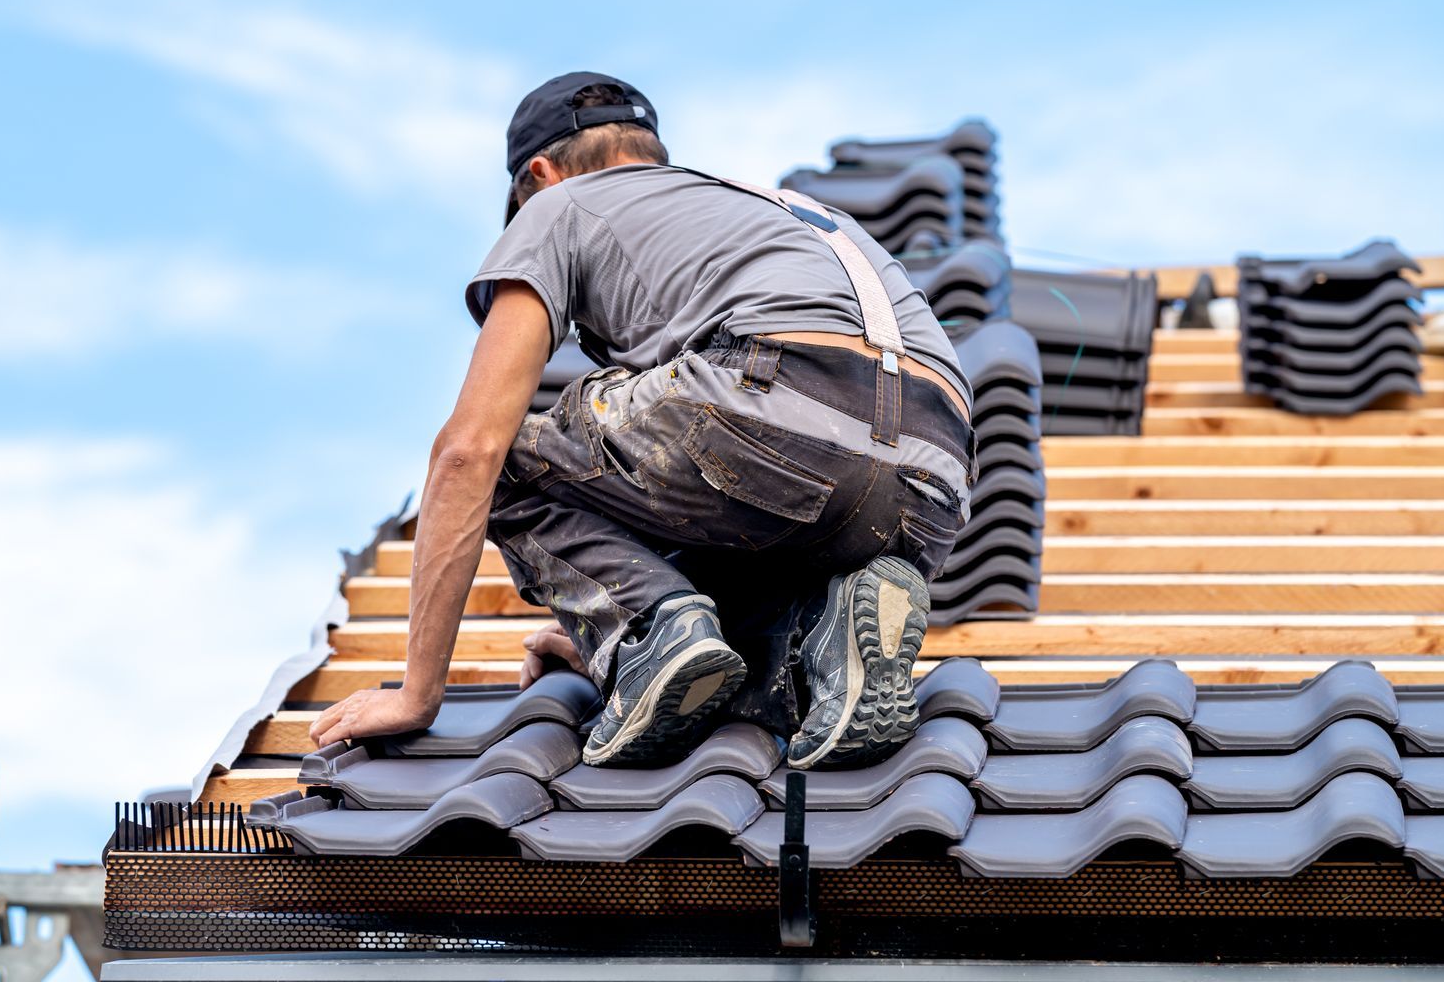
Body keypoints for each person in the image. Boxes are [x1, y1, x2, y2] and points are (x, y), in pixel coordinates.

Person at [311, 72, 975, 768]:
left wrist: (417, 694)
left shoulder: (561, 205)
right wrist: (588, 627)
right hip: (934, 485)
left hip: (775, 404)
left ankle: (657, 630)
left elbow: (466, 452)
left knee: (504, 458)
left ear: (539, 174)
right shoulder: (768, 210)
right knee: (732, 652)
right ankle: (820, 639)